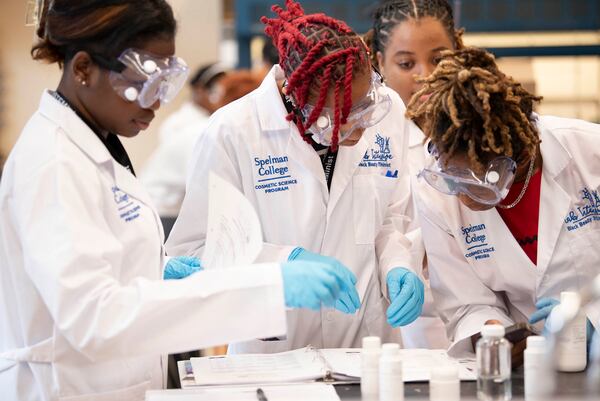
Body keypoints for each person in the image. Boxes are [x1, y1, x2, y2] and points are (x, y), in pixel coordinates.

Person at [0, 1, 357, 399]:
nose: (157, 100)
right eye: (145, 78)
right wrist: (267, 287)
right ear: (83, 68)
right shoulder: (52, 162)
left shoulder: (95, 145)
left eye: (166, 79)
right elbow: (95, 318)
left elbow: (95, 259)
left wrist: (160, 268)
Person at [167, 0, 424, 354]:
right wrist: (283, 262)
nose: (363, 125)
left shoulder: (389, 109)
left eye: (366, 106)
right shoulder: (233, 132)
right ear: (299, 101)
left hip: (367, 347)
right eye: (345, 116)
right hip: (274, 353)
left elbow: (389, 218)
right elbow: (195, 251)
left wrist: (398, 263)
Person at [407, 47, 600, 356]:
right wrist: (492, 334)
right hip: (523, 366)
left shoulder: (590, 153)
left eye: (472, 183)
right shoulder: (435, 193)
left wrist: (591, 321)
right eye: (451, 177)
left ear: (516, 158)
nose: (459, 195)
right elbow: (465, 302)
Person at [365, 0, 464, 349]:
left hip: (485, 321)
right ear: (379, 63)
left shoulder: (487, 136)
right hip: (399, 330)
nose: (425, 74)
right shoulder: (361, 140)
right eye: (406, 63)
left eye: (439, 59)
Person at [141, 69, 262, 230]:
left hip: (176, 206)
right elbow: (213, 190)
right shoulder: (209, 131)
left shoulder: (217, 127)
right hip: (162, 210)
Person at [141, 63, 227, 221]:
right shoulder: (183, 124)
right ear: (199, 90)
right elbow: (198, 180)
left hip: (175, 207)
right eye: (215, 90)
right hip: (162, 208)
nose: (221, 97)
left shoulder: (207, 122)